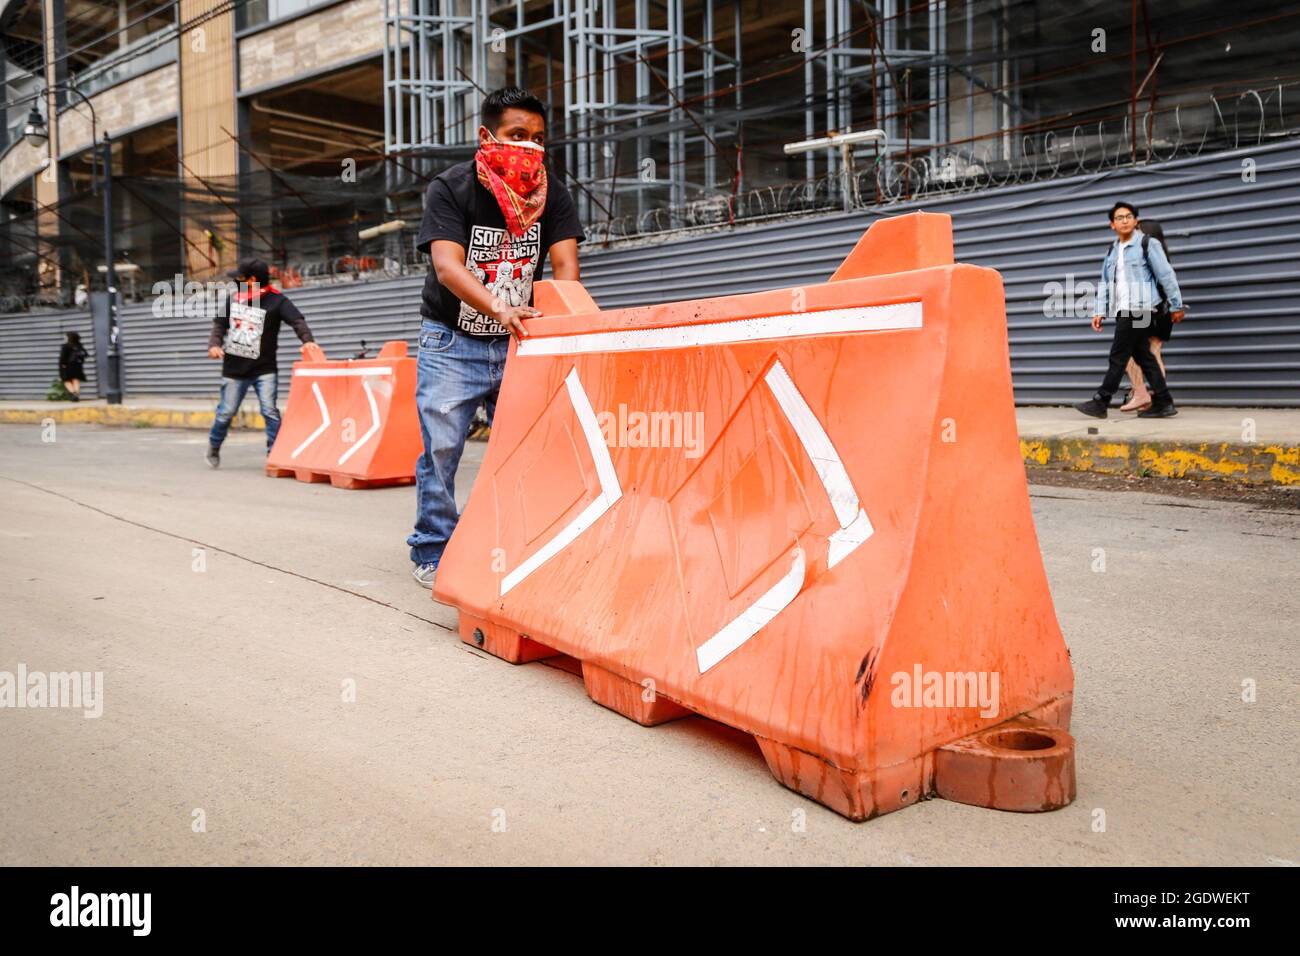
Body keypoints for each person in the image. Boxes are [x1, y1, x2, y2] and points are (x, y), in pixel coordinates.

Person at [407, 86, 585, 588]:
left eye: (538, 138)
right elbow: (447, 266)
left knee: (534, 445)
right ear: (487, 136)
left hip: (521, 341)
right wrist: (499, 306)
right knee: (442, 447)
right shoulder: (452, 188)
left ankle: (520, 542)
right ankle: (433, 548)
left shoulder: (551, 192)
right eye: (516, 135)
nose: (529, 147)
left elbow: (566, 267)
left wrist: (560, 326)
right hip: (452, 340)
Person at [1074, 201, 1185, 420]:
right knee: (1143, 356)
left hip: (1140, 308)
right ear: (1112, 225)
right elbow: (1106, 283)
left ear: (1135, 221)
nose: (1124, 221)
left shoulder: (1147, 243)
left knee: (1118, 355)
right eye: (1119, 218)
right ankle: (1164, 401)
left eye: (1128, 217)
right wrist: (1099, 310)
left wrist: (1176, 304)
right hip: (1122, 309)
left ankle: (1101, 400)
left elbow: (1166, 275)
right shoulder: (1112, 251)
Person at [205, 258, 315, 467]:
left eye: (240, 278)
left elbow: (297, 322)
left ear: (252, 280)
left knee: (270, 411)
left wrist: (308, 342)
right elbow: (219, 326)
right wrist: (214, 345)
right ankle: (214, 444)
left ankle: (274, 454)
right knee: (226, 413)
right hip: (234, 369)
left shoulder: (277, 301)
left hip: (264, 368)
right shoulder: (233, 299)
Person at [1118, 219, 1179, 411]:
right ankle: (1157, 397)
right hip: (1163, 311)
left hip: (1149, 310)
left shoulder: (1144, 253)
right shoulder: (1160, 255)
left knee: (1129, 353)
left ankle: (1142, 394)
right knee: (1153, 352)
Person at [58, 331, 87, 401]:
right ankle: (76, 395)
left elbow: (63, 357)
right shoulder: (79, 345)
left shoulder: (65, 346)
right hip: (77, 366)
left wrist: (62, 365)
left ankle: (73, 393)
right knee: (76, 380)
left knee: (66, 380)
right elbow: (85, 354)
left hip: (67, 366)